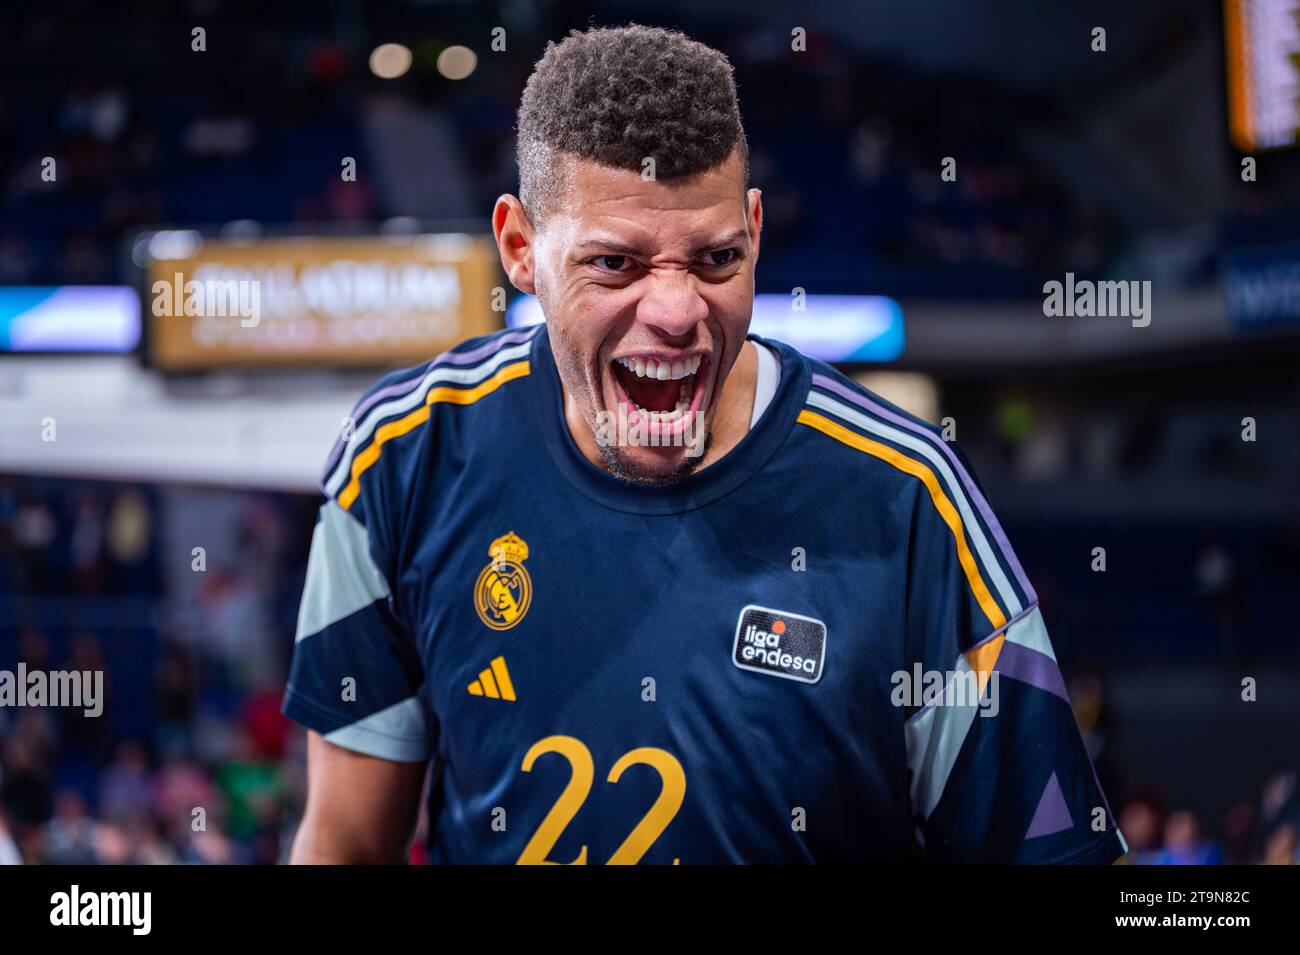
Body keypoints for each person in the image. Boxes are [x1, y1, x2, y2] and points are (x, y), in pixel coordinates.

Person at [283, 24, 1124, 864]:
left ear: (756, 231)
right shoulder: (401, 458)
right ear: (520, 249)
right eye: (616, 263)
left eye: (717, 258)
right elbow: (345, 841)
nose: (678, 311)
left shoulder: (908, 497)